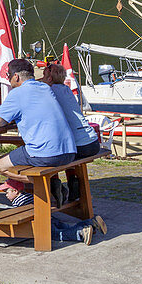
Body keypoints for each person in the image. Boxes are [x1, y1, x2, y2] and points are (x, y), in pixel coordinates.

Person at [0, 58, 76, 204]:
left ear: (16, 77)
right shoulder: (45, 87)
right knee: (27, 156)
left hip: (46, 153)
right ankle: (49, 183)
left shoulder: (17, 93)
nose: (9, 80)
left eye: (9, 76)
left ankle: (44, 183)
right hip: (69, 151)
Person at [42, 62, 100, 202]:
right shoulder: (66, 90)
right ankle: (73, 182)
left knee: (49, 154)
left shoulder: (49, 92)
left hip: (79, 145)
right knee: (67, 151)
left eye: (43, 76)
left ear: (49, 79)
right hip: (92, 141)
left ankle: (55, 184)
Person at [0, 180, 107, 245]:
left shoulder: (17, 203)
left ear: (15, 191)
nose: (5, 194)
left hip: (43, 223)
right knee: (66, 227)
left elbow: (17, 215)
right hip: (50, 217)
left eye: (7, 191)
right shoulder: (28, 196)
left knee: (58, 234)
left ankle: (80, 233)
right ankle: (91, 222)